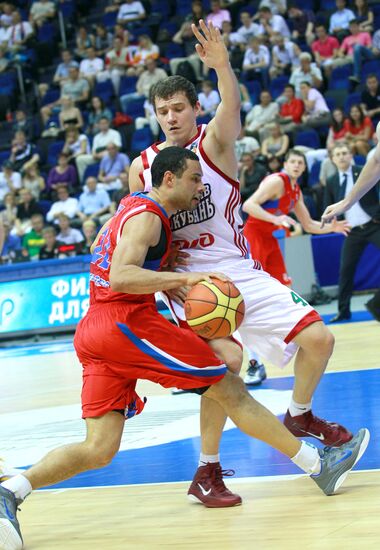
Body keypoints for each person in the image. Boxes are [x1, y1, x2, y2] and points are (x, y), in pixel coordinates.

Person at [0, 145, 370, 549]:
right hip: (125, 322)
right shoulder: (148, 215)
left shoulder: (129, 206)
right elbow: (122, 276)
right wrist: (184, 280)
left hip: (93, 330)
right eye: (195, 179)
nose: (200, 187)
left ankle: (11, 492)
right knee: (230, 384)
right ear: (169, 178)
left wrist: (168, 269)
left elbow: (112, 260)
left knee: (99, 448)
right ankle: (318, 465)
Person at [128, 20, 359, 505]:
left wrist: (223, 67)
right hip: (187, 283)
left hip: (236, 269)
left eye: (178, 109)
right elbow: (137, 227)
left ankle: (299, 413)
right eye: (162, 111)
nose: (170, 118)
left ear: (195, 110)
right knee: (224, 370)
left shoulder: (213, 144)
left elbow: (231, 111)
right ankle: (207, 471)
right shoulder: (143, 165)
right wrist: (162, 279)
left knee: (320, 338)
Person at [242, 149, 350, 286]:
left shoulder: (296, 192)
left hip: (271, 239)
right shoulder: (277, 181)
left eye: (300, 163)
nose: (296, 165)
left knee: (284, 284)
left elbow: (309, 225)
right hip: (254, 237)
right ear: (285, 165)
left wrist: (332, 227)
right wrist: (275, 219)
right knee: (256, 284)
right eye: (292, 162)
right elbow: (248, 205)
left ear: (304, 168)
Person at [322, 143, 380, 323]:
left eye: (344, 152)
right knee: (345, 270)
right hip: (352, 232)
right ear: (332, 159)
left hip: (373, 225)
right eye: (337, 154)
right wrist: (335, 224)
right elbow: (327, 205)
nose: (341, 156)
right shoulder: (331, 181)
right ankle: (343, 311)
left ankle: (376, 303)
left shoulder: (365, 171)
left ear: (351, 155)